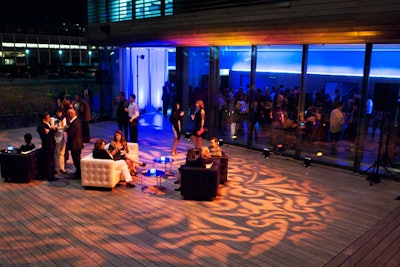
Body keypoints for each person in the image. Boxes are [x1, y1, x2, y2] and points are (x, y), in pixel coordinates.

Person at [37, 111, 58, 181]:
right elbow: (44, 136)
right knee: (48, 160)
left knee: (52, 159)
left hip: (52, 143)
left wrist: (53, 129)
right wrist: (50, 130)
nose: (49, 118)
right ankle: (49, 175)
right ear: (44, 119)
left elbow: (52, 131)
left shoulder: (48, 123)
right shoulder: (41, 126)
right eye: (48, 117)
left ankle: (52, 174)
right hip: (47, 145)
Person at [66, 108, 84, 180]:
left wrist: (66, 129)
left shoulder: (74, 122)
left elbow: (71, 133)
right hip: (77, 143)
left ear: (70, 115)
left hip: (75, 144)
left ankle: (79, 174)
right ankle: (78, 172)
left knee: (76, 160)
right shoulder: (77, 121)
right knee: (77, 159)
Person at [53, 107, 67, 175]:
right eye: (58, 112)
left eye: (60, 112)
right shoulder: (54, 119)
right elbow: (55, 127)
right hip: (57, 138)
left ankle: (62, 167)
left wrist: (64, 127)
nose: (59, 113)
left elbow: (64, 126)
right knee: (57, 154)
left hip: (63, 137)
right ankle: (57, 169)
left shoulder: (64, 118)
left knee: (62, 153)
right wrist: (59, 127)